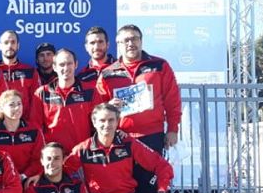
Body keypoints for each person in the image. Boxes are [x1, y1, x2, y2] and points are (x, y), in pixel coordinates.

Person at [64, 103, 173, 193]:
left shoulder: (128, 143)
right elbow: (64, 170)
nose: (107, 125)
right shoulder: (83, 149)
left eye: (111, 120)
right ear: (94, 122)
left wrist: (161, 191)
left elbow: (162, 165)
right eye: (102, 120)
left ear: (117, 122)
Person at [96, 24, 182, 153]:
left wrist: (172, 129)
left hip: (152, 135)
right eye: (125, 41)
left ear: (141, 41)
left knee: (151, 173)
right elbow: (96, 107)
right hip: (119, 136)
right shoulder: (107, 73)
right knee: (123, 174)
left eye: (134, 39)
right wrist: (109, 106)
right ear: (118, 44)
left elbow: (172, 100)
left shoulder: (159, 66)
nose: (130, 43)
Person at [29, 48, 99, 154]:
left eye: (69, 63)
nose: (66, 68)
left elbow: (99, 125)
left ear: (76, 65)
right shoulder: (42, 93)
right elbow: (35, 128)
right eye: (61, 64)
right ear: (54, 67)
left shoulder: (90, 91)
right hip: (53, 158)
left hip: (82, 155)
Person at [0, 89, 43, 182]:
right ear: (2, 108)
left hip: (27, 179)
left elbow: (38, 159)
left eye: (19, 104)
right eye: (12, 105)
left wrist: (23, 176)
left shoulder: (33, 130)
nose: (17, 108)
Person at [0, 30, 39, 114]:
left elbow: (37, 102)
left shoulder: (30, 71)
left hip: (24, 124)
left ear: (18, 46)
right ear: (0, 46)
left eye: (13, 42)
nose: (9, 45)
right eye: (6, 42)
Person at [77, 26, 116, 91]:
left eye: (100, 42)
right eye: (92, 43)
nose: (96, 47)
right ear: (86, 47)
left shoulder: (122, 68)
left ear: (107, 44)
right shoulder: (81, 77)